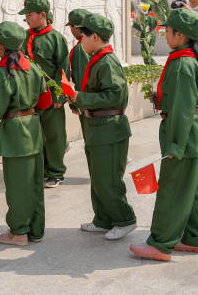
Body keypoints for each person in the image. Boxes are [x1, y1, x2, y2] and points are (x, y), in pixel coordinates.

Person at [130, 9, 198, 261]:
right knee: (193, 191)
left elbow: (183, 110)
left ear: (181, 34)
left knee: (173, 191)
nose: (165, 35)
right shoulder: (191, 58)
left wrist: (175, 145)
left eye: (168, 31)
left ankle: (160, 243)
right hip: (197, 136)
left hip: (184, 138)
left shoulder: (182, 63)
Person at [0, 22, 51, 246]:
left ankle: (18, 233)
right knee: (34, 183)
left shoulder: (2, 74)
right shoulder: (32, 68)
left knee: (17, 186)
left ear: (0, 47)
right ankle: (35, 229)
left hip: (16, 133)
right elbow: (45, 97)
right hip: (33, 128)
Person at [67, 14, 137, 240]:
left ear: (95, 36)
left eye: (83, 35)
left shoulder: (107, 61)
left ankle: (124, 219)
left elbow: (115, 95)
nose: (81, 39)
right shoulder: (97, 58)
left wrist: (80, 97)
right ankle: (104, 219)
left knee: (108, 179)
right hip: (98, 126)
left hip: (109, 127)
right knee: (98, 177)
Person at [19, 0, 70, 188]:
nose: (27, 19)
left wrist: (58, 95)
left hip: (50, 94)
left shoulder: (56, 38)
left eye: (29, 15)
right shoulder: (24, 37)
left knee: (54, 135)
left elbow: (62, 69)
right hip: (30, 95)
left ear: (42, 15)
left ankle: (55, 172)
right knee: (36, 135)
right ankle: (39, 170)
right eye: (25, 15)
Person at [66, 8, 91, 135]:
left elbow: (83, 79)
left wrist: (77, 104)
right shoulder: (92, 43)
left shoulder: (80, 49)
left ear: (75, 26)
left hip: (88, 105)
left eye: (70, 26)